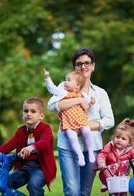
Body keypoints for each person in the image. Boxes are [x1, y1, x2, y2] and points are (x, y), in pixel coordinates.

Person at [47, 47, 114, 196]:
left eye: (87, 63)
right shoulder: (64, 87)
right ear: (74, 67)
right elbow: (51, 106)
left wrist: (89, 127)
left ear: (93, 66)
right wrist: (78, 99)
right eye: (79, 64)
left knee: (85, 192)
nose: (83, 67)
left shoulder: (100, 93)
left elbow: (109, 120)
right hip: (67, 146)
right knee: (71, 190)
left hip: (93, 147)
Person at [0, 97, 56, 196]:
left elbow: (45, 142)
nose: (28, 113)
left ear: (41, 116)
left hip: (40, 168)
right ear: (23, 114)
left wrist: (32, 147)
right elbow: (8, 146)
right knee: (5, 183)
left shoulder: (45, 128)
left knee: (33, 185)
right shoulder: (21, 131)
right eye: (26, 111)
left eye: (33, 111)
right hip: (23, 167)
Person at [44, 69, 95, 166]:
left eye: (68, 80)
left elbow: (87, 104)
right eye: (66, 80)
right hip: (68, 121)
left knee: (87, 131)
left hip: (81, 119)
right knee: (72, 137)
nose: (65, 82)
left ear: (77, 86)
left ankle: (91, 151)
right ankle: (80, 155)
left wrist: (91, 101)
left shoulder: (82, 95)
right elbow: (52, 88)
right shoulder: (62, 92)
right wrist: (47, 78)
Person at [97, 118, 134, 195]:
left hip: (122, 176)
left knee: (122, 192)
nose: (119, 140)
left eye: (123, 139)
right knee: (113, 190)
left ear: (130, 143)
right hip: (108, 173)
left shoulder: (130, 150)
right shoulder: (110, 146)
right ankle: (107, 184)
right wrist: (101, 162)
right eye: (117, 137)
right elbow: (102, 154)